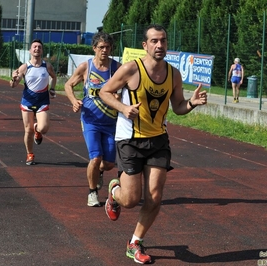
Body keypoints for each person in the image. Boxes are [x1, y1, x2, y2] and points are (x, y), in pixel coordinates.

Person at [99, 24, 207, 264]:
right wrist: (124, 108)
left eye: (164, 41)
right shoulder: (130, 69)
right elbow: (104, 92)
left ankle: (135, 242)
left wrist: (191, 103)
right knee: (130, 200)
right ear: (144, 45)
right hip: (130, 140)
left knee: (155, 197)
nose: (160, 45)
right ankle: (114, 192)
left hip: (158, 140)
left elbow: (178, 107)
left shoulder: (174, 74)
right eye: (155, 41)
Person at [64, 32, 121, 207]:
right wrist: (74, 101)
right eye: (101, 47)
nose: (104, 50)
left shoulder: (117, 68)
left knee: (109, 163)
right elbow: (68, 84)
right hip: (90, 121)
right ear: (94, 48)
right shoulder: (85, 67)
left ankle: (99, 173)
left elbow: (125, 91)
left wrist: (119, 98)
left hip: (111, 122)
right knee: (95, 158)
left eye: (108, 47)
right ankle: (92, 193)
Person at [9, 39, 57, 165]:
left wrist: (52, 88)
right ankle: (30, 154)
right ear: (30, 50)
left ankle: (37, 129)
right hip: (27, 102)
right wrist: (13, 79)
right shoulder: (25, 67)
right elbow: (14, 85)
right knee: (27, 131)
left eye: (39, 47)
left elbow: (54, 77)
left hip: (42, 101)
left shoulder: (47, 66)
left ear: (42, 51)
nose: (37, 49)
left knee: (44, 128)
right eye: (34, 47)